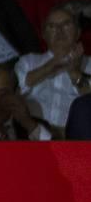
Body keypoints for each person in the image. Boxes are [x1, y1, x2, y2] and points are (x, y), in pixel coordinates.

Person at [13, 7, 91, 135]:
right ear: (44, 35)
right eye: (52, 26)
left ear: (78, 32)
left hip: (75, 137)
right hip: (33, 135)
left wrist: (75, 73)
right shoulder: (28, 61)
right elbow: (16, 89)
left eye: (66, 24)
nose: (59, 31)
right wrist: (52, 64)